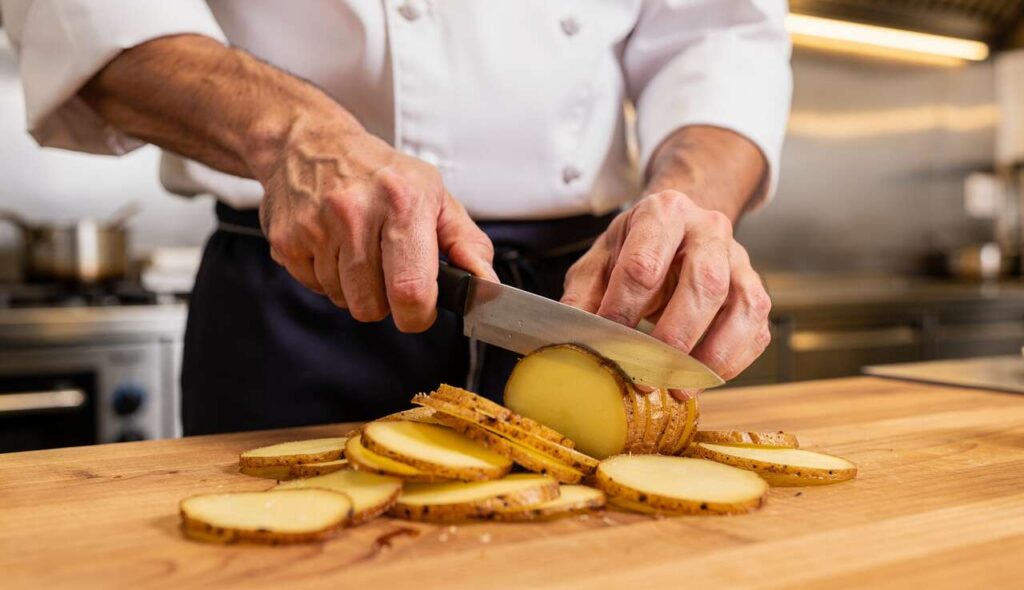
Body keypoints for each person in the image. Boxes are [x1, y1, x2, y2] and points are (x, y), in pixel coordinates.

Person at [2, 1, 791, 435]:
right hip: (301, 292)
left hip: (582, 300)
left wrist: (691, 201)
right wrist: (292, 135)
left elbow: (721, 39)